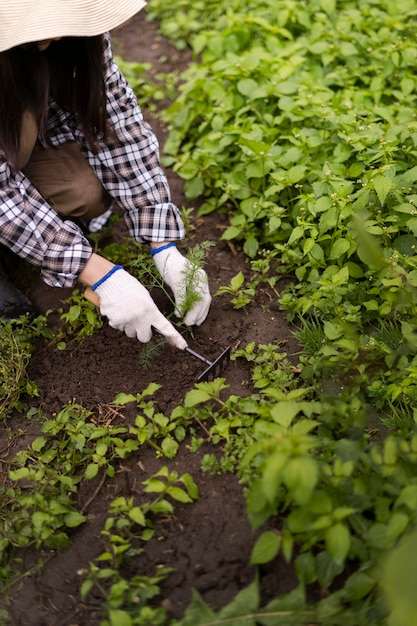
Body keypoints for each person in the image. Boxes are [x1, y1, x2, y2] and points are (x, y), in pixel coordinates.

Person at [0, 0, 212, 349]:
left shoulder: (75, 35)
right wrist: (98, 272)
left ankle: (38, 238)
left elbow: (117, 122)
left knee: (84, 190)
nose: (55, 30)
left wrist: (164, 245)